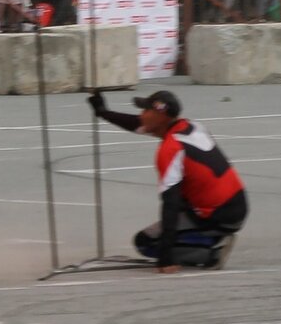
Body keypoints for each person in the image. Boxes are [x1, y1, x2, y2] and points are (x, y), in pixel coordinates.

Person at [88, 90, 246, 271]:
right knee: (182, 199)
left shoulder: (170, 150)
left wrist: (165, 258)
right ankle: (210, 237)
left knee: (145, 242)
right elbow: (137, 124)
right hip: (237, 206)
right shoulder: (192, 126)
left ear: (160, 115)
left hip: (219, 216)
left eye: (145, 110)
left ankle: (211, 250)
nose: (141, 116)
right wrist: (103, 112)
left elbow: (170, 204)